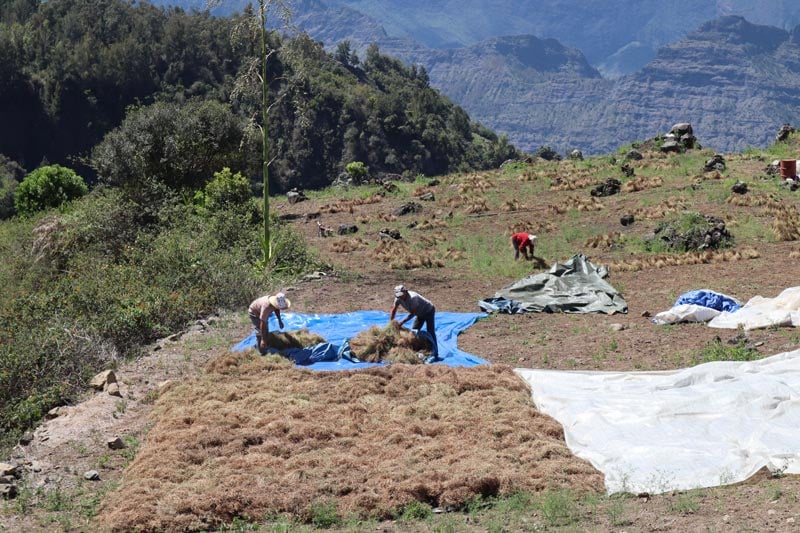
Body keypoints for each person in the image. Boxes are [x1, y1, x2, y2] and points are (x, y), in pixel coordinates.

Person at [390, 285, 438, 359]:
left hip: (428, 310)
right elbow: (394, 310)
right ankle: (417, 348)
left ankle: (435, 352)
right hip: (419, 314)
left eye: (401, 295)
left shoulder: (413, 298)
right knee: (414, 331)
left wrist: (402, 322)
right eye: (398, 296)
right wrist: (391, 322)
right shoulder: (398, 299)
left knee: (430, 331)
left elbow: (413, 313)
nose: (400, 297)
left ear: (405, 292)